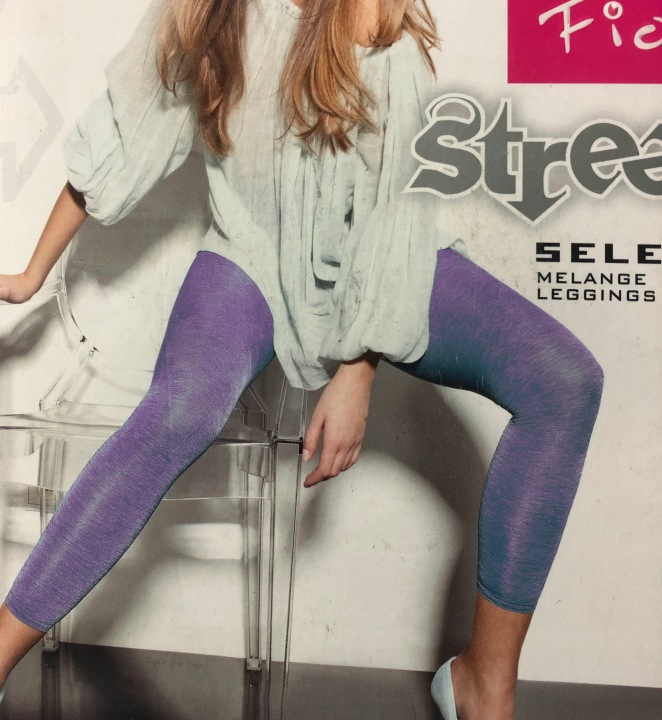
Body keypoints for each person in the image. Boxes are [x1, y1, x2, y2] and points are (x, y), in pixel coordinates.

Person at [0, 1, 603, 718]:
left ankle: (483, 684)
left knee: (566, 383)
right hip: (250, 252)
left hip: (385, 260)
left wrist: (357, 369)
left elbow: (393, 210)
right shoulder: (203, 12)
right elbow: (124, 131)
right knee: (179, 410)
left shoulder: (373, 12)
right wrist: (33, 272)